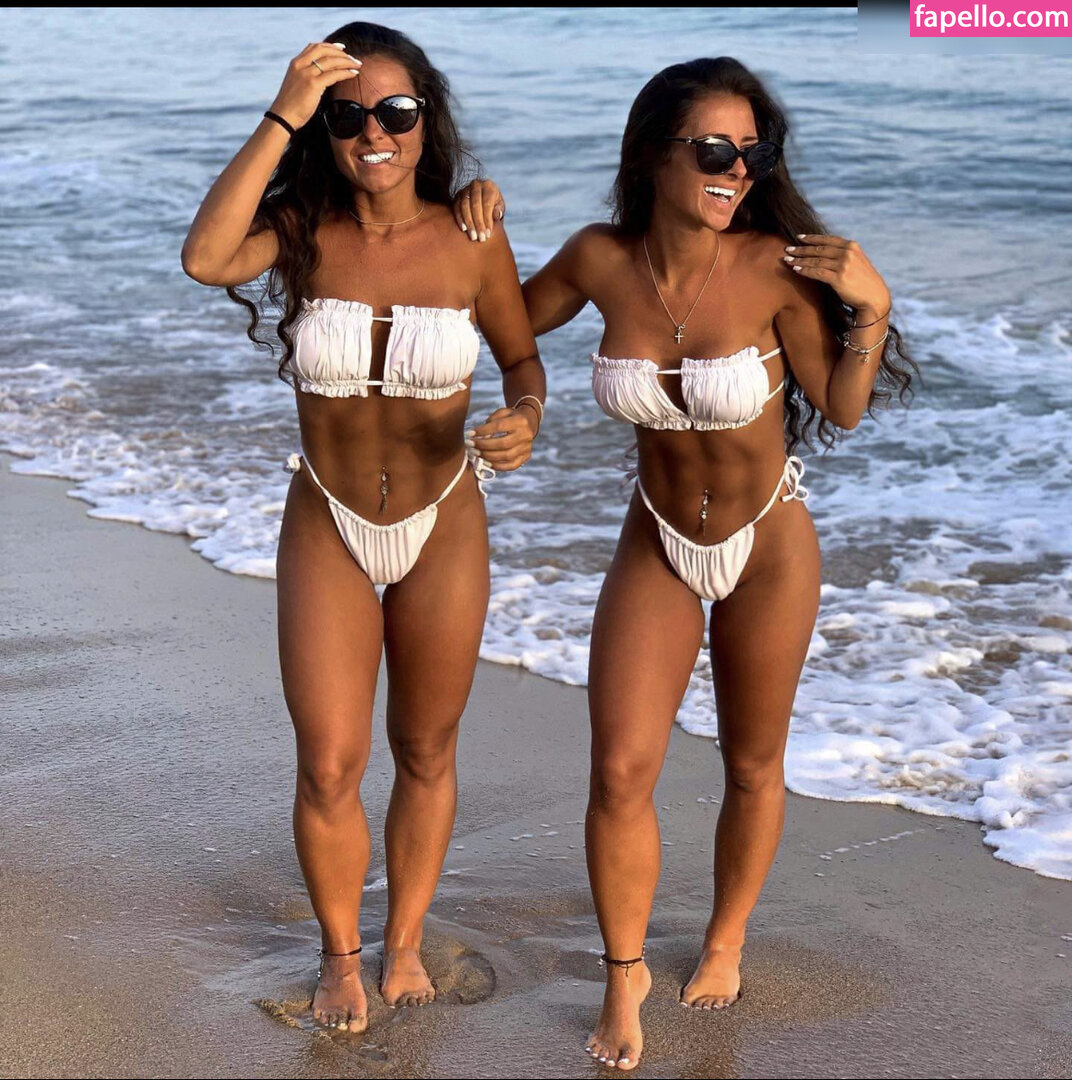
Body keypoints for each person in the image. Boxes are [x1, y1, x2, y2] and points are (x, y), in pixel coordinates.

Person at [455, 56, 916, 1071]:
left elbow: (840, 408)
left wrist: (871, 308)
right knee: (620, 768)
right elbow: (491, 317)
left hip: (768, 545)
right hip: (655, 538)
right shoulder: (598, 258)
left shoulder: (774, 268)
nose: (736, 170)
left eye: (753, 153)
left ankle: (725, 939)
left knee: (751, 763)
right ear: (653, 154)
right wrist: (470, 221)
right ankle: (623, 974)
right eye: (714, 150)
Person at [181, 22, 545, 1034]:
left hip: (444, 517)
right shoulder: (300, 229)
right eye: (347, 118)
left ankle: (405, 941)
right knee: (330, 761)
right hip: (328, 520)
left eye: (396, 111)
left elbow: (522, 360)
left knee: (424, 747)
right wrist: (283, 110)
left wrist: (523, 416)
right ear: (324, 130)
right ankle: (340, 954)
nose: (373, 133)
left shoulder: (473, 236)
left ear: (428, 119)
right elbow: (205, 257)